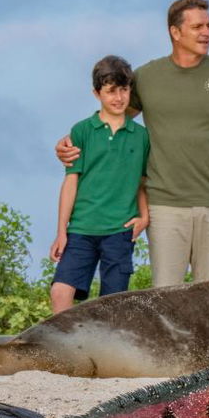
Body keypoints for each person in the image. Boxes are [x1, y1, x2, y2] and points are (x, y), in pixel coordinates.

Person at [56, 0, 209, 286]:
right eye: (198, 26)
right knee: (165, 298)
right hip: (165, 205)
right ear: (175, 32)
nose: (207, 32)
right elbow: (112, 119)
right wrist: (70, 141)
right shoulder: (147, 77)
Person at [48, 56, 151, 313]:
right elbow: (71, 181)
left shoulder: (141, 137)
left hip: (119, 231)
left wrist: (144, 217)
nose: (119, 98)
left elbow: (141, 181)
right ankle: (66, 353)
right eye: (111, 91)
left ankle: (105, 354)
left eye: (124, 90)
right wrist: (62, 231)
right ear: (97, 93)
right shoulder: (82, 131)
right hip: (82, 229)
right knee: (60, 292)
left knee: (113, 307)